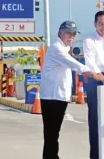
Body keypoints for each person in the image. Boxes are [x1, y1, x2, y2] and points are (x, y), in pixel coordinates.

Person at [40, 21, 96, 159]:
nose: (71, 37)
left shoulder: (64, 48)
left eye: (74, 34)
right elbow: (74, 64)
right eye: (68, 33)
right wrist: (93, 73)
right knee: (52, 134)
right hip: (52, 97)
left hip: (59, 97)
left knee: (53, 134)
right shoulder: (57, 49)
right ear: (60, 33)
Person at [83, 11, 104, 159]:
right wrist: (101, 77)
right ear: (95, 24)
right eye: (100, 23)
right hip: (95, 80)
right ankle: (95, 155)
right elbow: (90, 62)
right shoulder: (89, 41)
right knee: (96, 121)